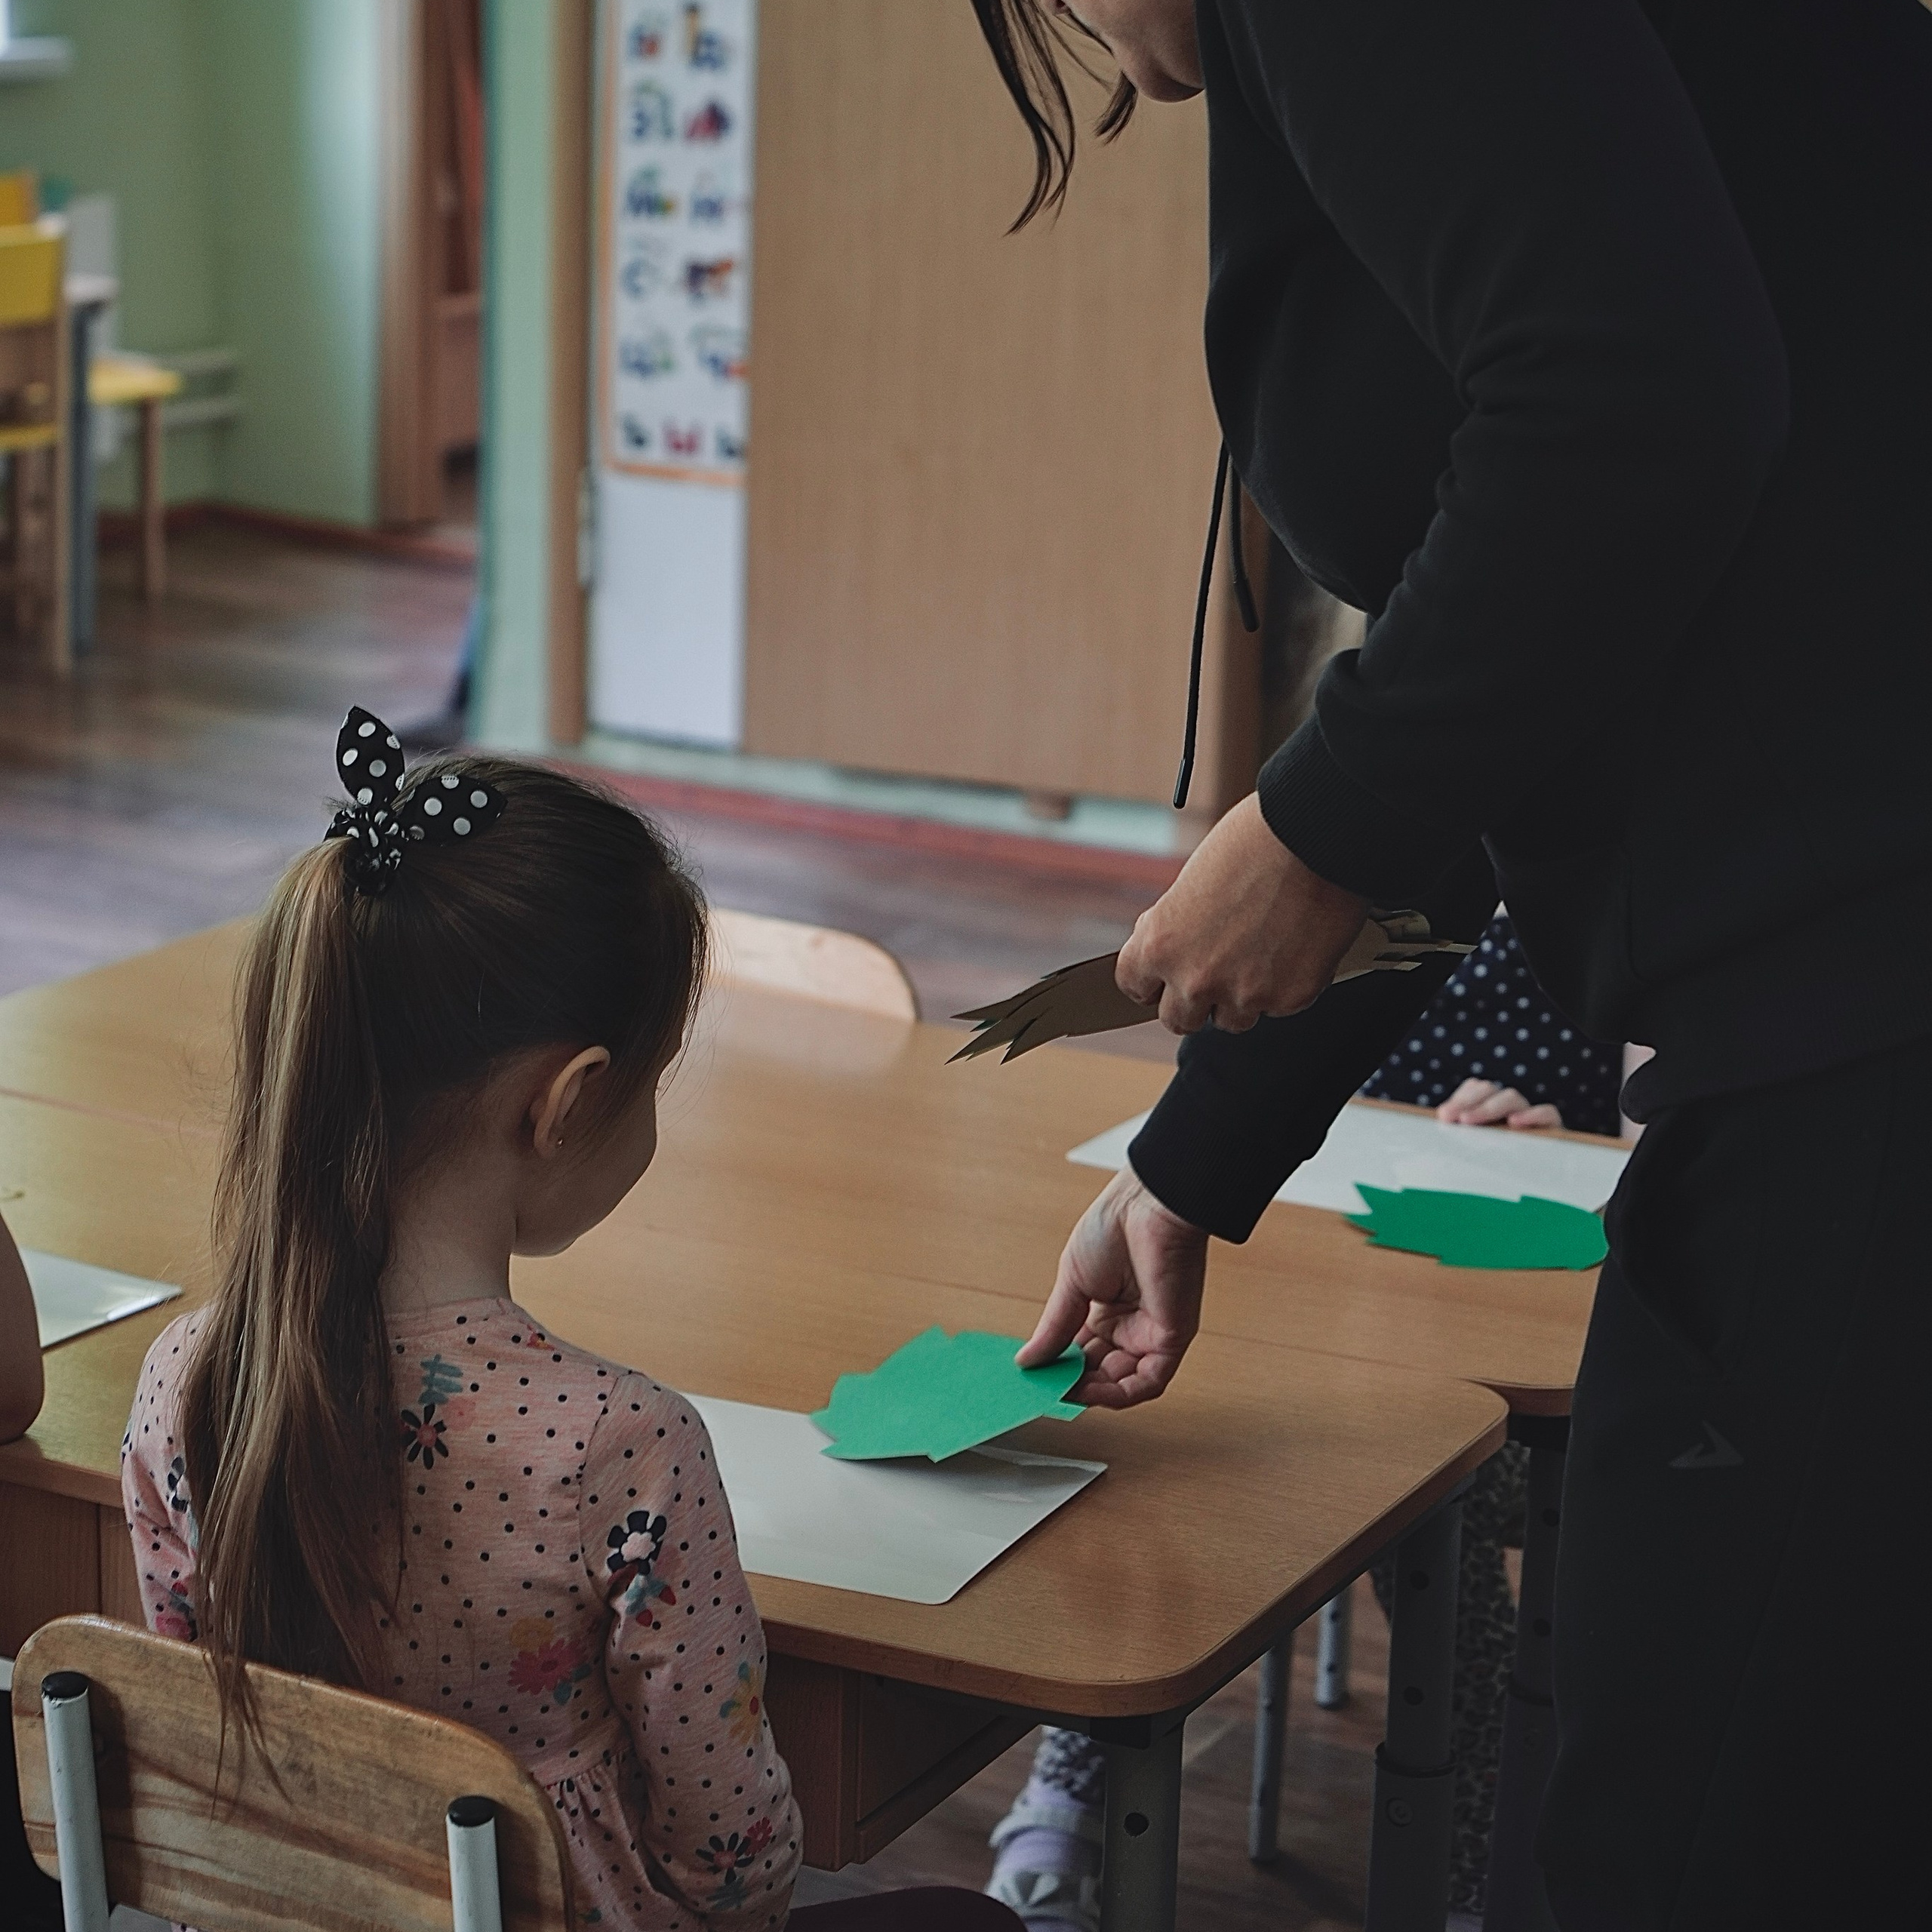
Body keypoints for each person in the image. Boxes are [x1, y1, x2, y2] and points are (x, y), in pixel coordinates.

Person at [973, 4, 1930, 1924]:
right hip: (1826, 999)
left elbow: (1630, 400)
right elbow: (1528, 670)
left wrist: (1307, 822)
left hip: (1860, 1020)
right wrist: (1196, 1145)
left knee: (1692, 1841)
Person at [120, 721, 1020, 1932]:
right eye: (652, 1087)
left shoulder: (184, 1377)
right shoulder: (623, 1446)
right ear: (571, 1099)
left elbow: (188, 1731)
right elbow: (736, 1865)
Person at [986, 914, 1626, 1927]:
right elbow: (1229, 1054)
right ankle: (1073, 1771)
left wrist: (1562, 1141)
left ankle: (1470, 1864)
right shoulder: (1326, 876)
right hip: (1269, 1293)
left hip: (1471, 1329)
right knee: (1148, 1448)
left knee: (1431, 1503)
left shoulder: (1600, 889)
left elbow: (1655, 1128)